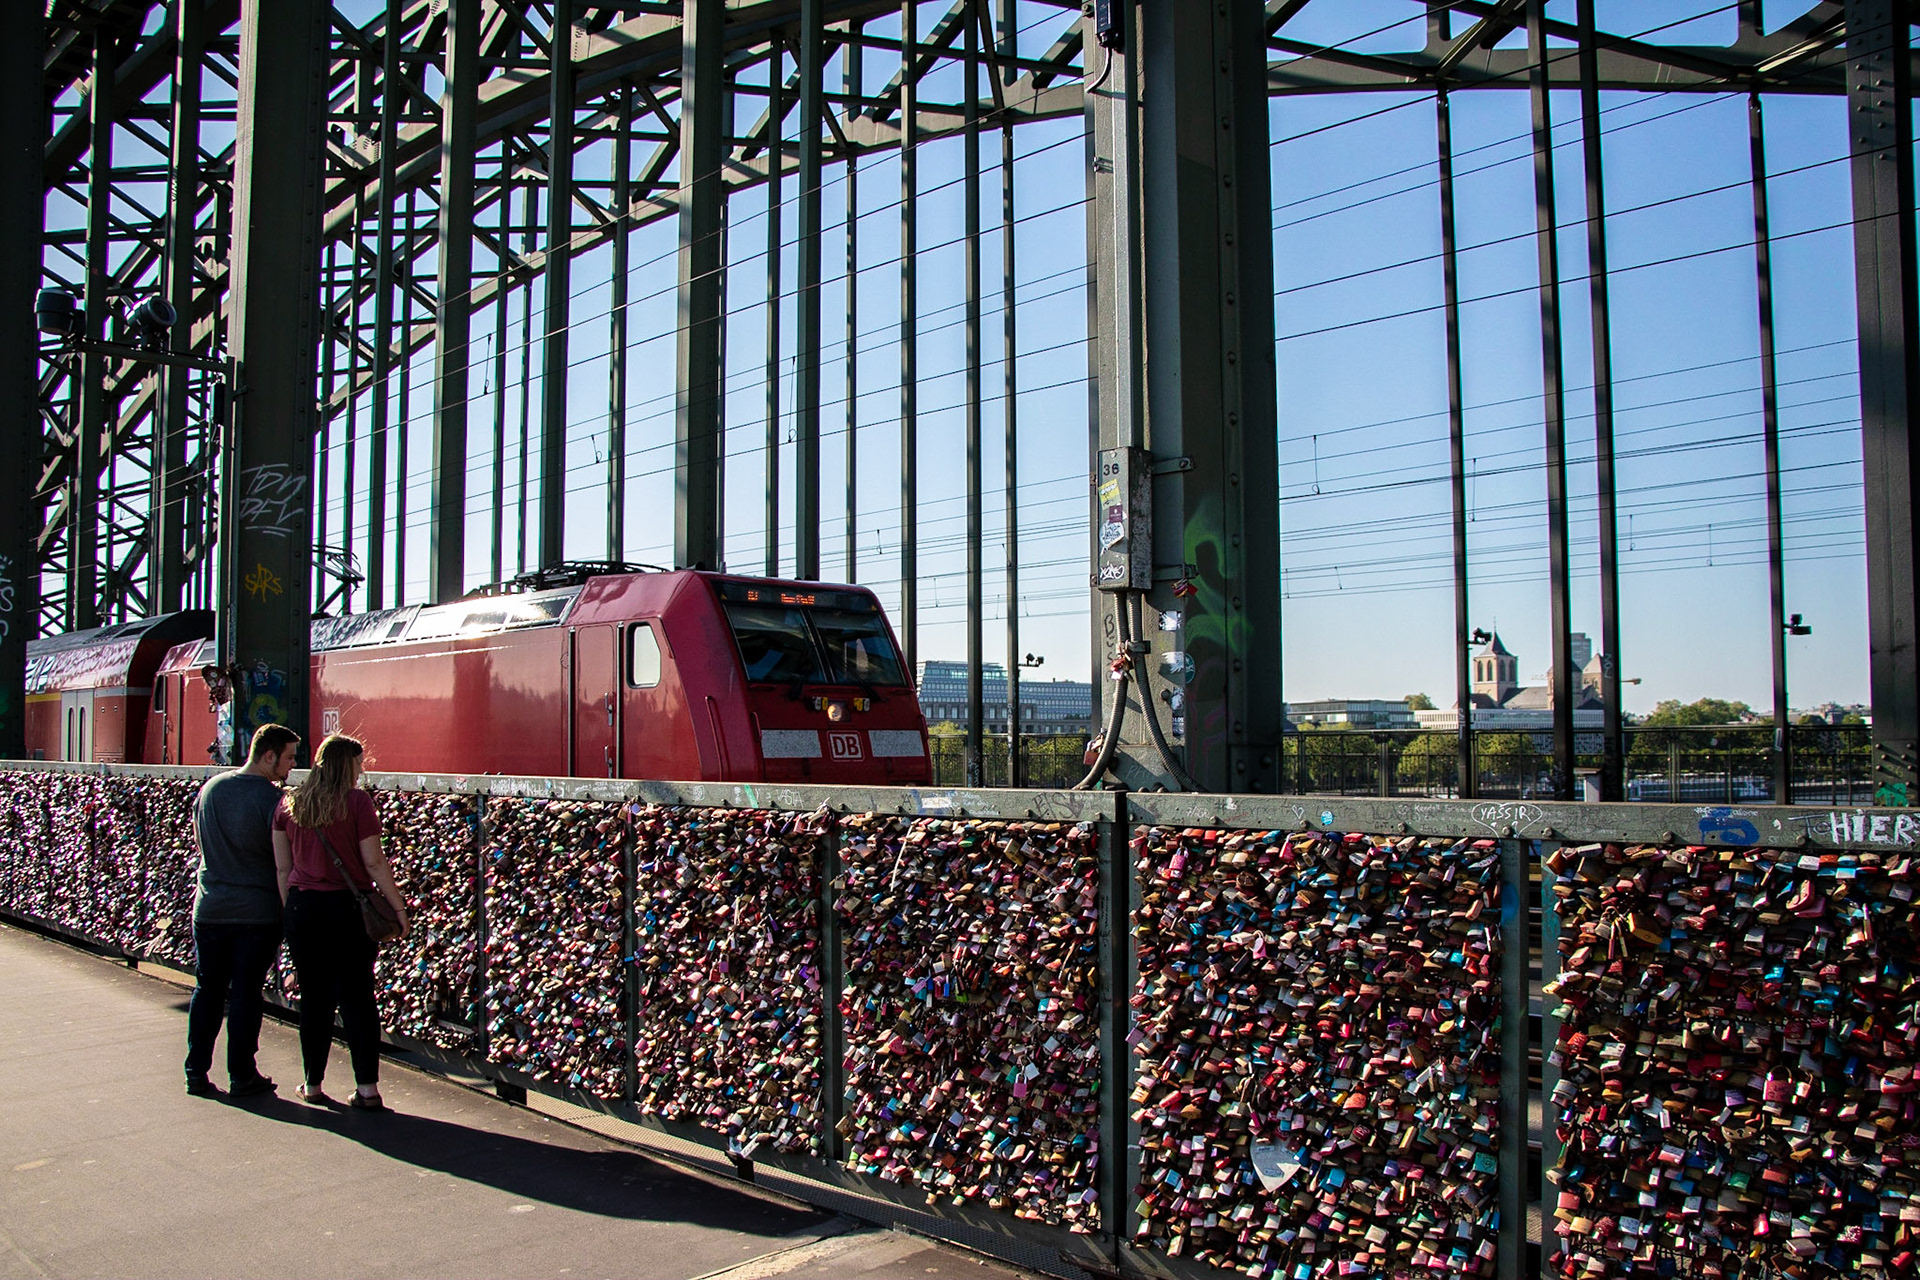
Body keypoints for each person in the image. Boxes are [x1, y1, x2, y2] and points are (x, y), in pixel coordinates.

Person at [272, 734, 408, 1110]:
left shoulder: (291, 803)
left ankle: (312, 1084)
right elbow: (374, 863)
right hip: (348, 911)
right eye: (359, 764)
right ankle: (366, 1089)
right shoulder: (357, 802)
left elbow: (283, 867)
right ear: (347, 765)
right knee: (357, 999)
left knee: (314, 1000)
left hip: (303, 909)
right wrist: (398, 909)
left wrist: (291, 910)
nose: (362, 770)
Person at [185, 723, 301, 1098]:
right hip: (256, 912)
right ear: (268, 756)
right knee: (246, 995)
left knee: (207, 990)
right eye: (288, 758)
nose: (291, 767)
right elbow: (284, 860)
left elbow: (200, 843)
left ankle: (196, 1073)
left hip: (210, 908)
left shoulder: (211, 789)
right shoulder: (274, 801)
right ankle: (242, 1074)